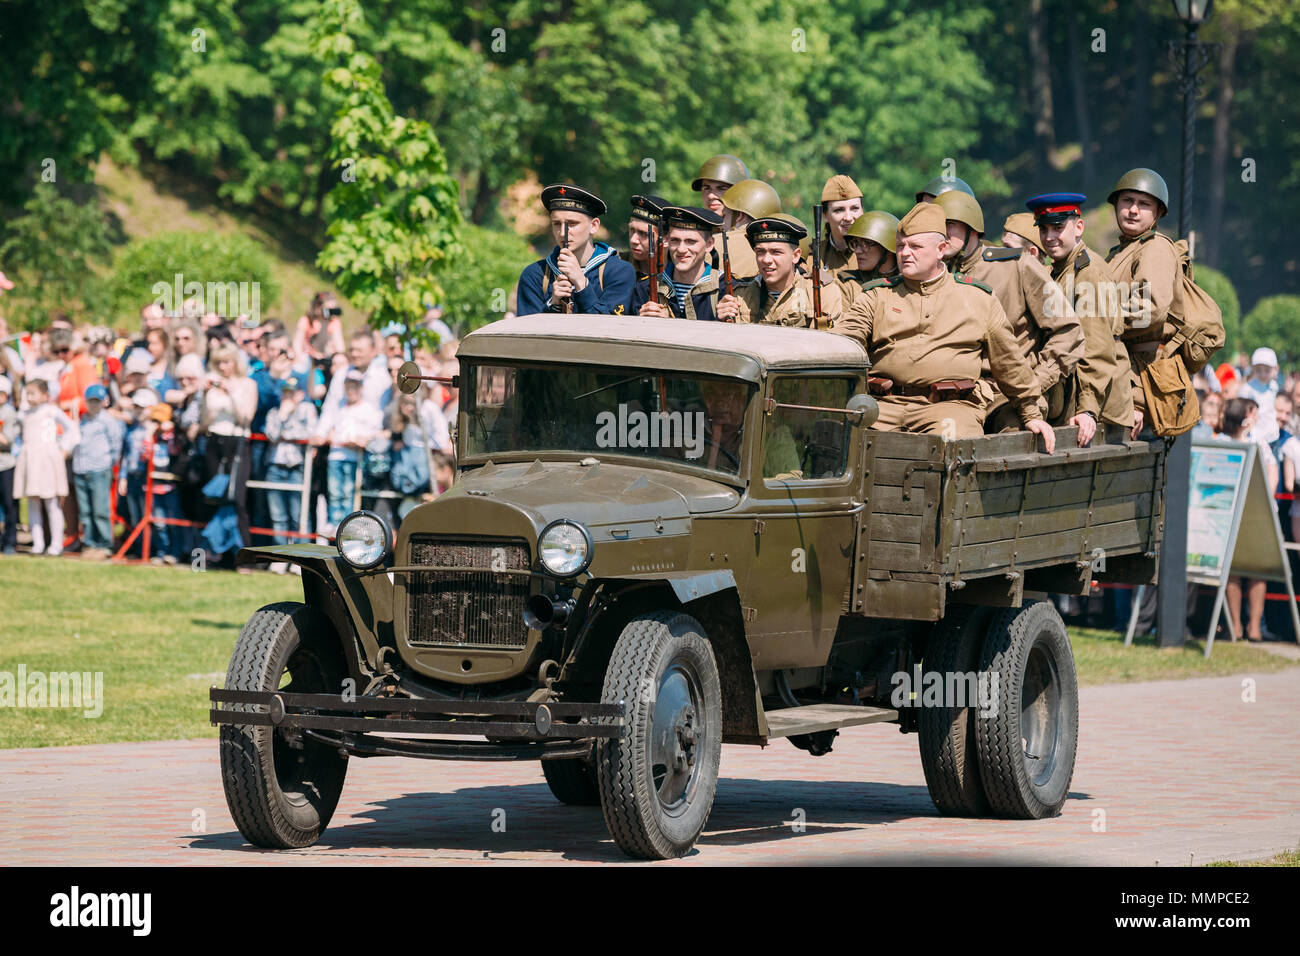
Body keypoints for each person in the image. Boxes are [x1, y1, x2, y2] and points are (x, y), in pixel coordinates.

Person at [832, 202, 1054, 449]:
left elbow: (1009, 362)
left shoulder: (978, 298)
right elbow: (842, 345)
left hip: (951, 407)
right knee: (842, 441)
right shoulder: (877, 295)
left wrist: (1031, 414)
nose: (905, 253)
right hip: (885, 405)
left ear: (941, 249)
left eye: (915, 246)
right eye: (901, 246)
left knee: (949, 446)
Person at [933, 189, 1084, 430]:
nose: (942, 232)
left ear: (971, 227)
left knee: (1010, 435)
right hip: (951, 395)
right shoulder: (932, 273)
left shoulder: (1015, 265)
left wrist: (1035, 382)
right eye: (937, 226)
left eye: (950, 224)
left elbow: (1068, 332)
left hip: (1008, 395)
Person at [1028, 192, 1135, 446]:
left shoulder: (1088, 273)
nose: (1049, 237)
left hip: (1099, 411)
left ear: (1078, 227)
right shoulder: (1059, 269)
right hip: (1075, 399)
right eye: (1043, 229)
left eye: (1057, 227)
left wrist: (1087, 409)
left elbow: (1097, 347)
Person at [1104, 168, 1183, 425]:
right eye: (1127, 201)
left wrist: (1097, 322)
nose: (1133, 210)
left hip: (1139, 378)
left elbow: (1149, 311)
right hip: (1118, 371)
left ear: (1158, 212)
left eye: (1144, 204)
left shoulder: (1156, 247)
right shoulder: (1119, 252)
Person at [516, 184, 636, 316]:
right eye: (557, 224)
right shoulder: (535, 275)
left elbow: (610, 329)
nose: (562, 233)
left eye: (572, 224)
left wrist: (581, 284)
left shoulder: (619, 272)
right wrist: (553, 304)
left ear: (594, 226)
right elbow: (527, 332)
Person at [719, 215, 842, 328]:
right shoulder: (740, 298)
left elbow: (828, 341)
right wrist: (724, 325)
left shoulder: (822, 293)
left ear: (795, 256)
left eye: (776, 252)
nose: (766, 260)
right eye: (760, 252)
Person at [1218, 397, 1274, 641]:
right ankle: (1235, 627)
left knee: (1257, 567)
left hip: (1256, 514)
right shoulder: (1220, 441)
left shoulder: (1259, 442)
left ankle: (1254, 627)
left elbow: (1271, 471)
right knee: (1232, 569)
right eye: (1253, 412)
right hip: (1228, 514)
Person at [198, 342, 258, 561]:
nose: (223, 367)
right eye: (219, 363)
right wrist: (205, 396)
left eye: (227, 362)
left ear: (235, 362)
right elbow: (205, 422)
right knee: (215, 497)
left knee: (237, 499)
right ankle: (217, 553)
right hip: (215, 440)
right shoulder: (212, 386)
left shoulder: (247, 384)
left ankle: (242, 555)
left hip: (238, 441)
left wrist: (231, 393)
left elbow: (245, 417)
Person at [13, 378, 79, 555]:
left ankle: (56, 545)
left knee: (51, 502)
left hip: (46, 459)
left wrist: (64, 449)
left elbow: (71, 429)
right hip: (30, 458)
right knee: (33, 502)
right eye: (27, 393)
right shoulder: (24, 414)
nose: (29, 397)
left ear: (44, 395)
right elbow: (18, 436)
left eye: (33, 393)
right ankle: (38, 544)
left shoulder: (51, 411)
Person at [262, 373, 317, 569]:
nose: (288, 396)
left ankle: (302, 559)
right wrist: (283, 416)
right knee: (278, 516)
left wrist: (287, 433)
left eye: (291, 393)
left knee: (298, 515)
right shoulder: (274, 413)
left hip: (296, 467)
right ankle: (281, 558)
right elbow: (272, 434)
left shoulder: (307, 409)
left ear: (300, 394)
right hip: (275, 467)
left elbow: (310, 433)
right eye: (285, 392)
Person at [630, 206, 725, 321]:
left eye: (690, 241)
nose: (681, 249)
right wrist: (641, 321)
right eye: (675, 240)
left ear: (709, 244)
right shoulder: (645, 288)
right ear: (666, 240)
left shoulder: (725, 287)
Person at [323, 370, 384, 531]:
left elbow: (374, 432)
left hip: (354, 457)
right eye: (348, 387)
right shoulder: (338, 407)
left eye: (355, 387)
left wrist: (361, 440)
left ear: (361, 388)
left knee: (350, 492)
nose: (351, 391)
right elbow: (328, 427)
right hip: (336, 455)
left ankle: (347, 524)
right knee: (335, 491)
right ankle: (334, 521)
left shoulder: (368, 409)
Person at [72, 383, 124, 559]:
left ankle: (104, 543)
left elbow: (116, 443)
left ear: (103, 402)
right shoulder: (83, 420)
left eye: (97, 401)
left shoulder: (108, 421)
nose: (93, 405)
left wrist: (110, 463)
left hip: (100, 468)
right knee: (85, 510)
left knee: (100, 508)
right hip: (81, 467)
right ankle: (90, 542)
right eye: (91, 401)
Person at [718, 179, 782, 281]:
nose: (722, 224)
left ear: (739, 215)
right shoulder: (784, 248)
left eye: (724, 216)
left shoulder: (714, 244)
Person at [836, 211, 899, 307]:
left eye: (866, 244)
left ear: (886, 247)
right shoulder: (848, 286)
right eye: (855, 243)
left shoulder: (909, 283)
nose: (857, 251)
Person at [802, 175, 862, 273]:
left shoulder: (875, 254)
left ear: (862, 211)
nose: (848, 217)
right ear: (825, 216)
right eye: (839, 210)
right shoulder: (811, 258)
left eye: (854, 208)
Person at [1238, 347, 1280, 443]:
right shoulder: (1247, 388)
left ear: (1275, 369)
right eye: (1258, 370)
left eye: (1267, 370)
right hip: (1254, 435)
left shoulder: (1274, 386)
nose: (1263, 374)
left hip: (1272, 433)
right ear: (1253, 369)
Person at [624, 194, 671, 280]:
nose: (633, 240)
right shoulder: (616, 267)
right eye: (631, 230)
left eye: (643, 233)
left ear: (666, 239)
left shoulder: (680, 272)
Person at [0, 375, 17, 554]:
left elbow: (8, 440)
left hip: (6, 464)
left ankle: (10, 541)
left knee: (9, 504)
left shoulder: (9, 413)